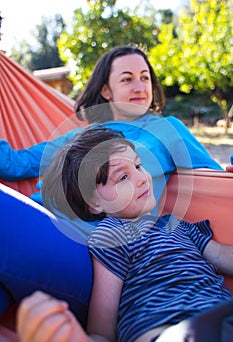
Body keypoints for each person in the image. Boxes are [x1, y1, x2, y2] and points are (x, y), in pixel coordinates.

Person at [0, 45, 224, 327]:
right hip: (38, 220)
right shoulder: (81, 136)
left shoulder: (165, 129)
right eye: (127, 78)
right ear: (106, 91)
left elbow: (216, 177)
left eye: (145, 77)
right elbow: (13, 164)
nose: (140, 85)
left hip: (93, 254)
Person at [3, 125, 233, 342]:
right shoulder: (112, 235)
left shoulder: (175, 223)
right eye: (122, 177)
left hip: (220, 316)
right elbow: (102, 332)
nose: (143, 178)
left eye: (138, 165)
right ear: (94, 203)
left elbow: (223, 255)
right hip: (165, 329)